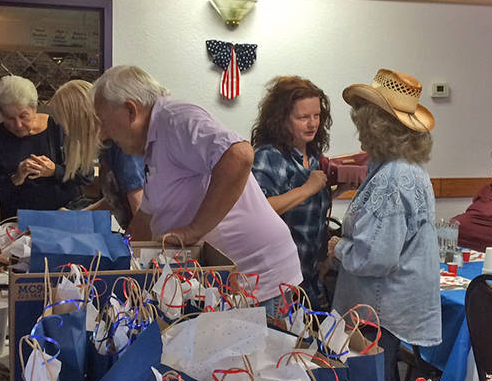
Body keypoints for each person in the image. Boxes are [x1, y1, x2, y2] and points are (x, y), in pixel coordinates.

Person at [91, 65, 302, 308]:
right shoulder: (154, 143)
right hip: (225, 278)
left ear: (131, 110)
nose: (103, 134)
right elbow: (147, 218)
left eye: (104, 122)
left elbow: (239, 156)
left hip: (257, 276)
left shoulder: (176, 118)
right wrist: (119, 262)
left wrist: (194, 229)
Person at [329, 69, 441, 381]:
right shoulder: (402, 168)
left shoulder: (395, 177)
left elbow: (374, 257)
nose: (359, 134)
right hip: (388, 304)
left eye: (363, 126)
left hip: (380, 307)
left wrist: (337, 248)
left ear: (379, 130)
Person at [250, 77, 333, 308]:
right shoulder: (268, 156)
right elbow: (260, 209)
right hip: (279, 284)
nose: (312, 124)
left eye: (317, 116)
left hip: (310, 279)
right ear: (282, 119)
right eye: (303, 117)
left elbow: (304, 209)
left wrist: (333, 191)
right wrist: (307, 188)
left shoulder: (314, 155)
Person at [0, 75, 88, 220]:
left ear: (34, 108)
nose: (18, 125)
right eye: (10, 119)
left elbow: (86, 175)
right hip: (17, 223)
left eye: (23, 116)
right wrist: (14, 179)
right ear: (1, 114)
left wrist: (54, 171)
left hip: (63, 219)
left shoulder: (59, 129)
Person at [48, 78, 146, 229]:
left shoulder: (121, 147)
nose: (66, 133)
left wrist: (132, 246)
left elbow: (139, 208)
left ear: (77, 121)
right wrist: (76, 215)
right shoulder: (106, 148)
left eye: (65, 125)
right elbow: (116, 199)